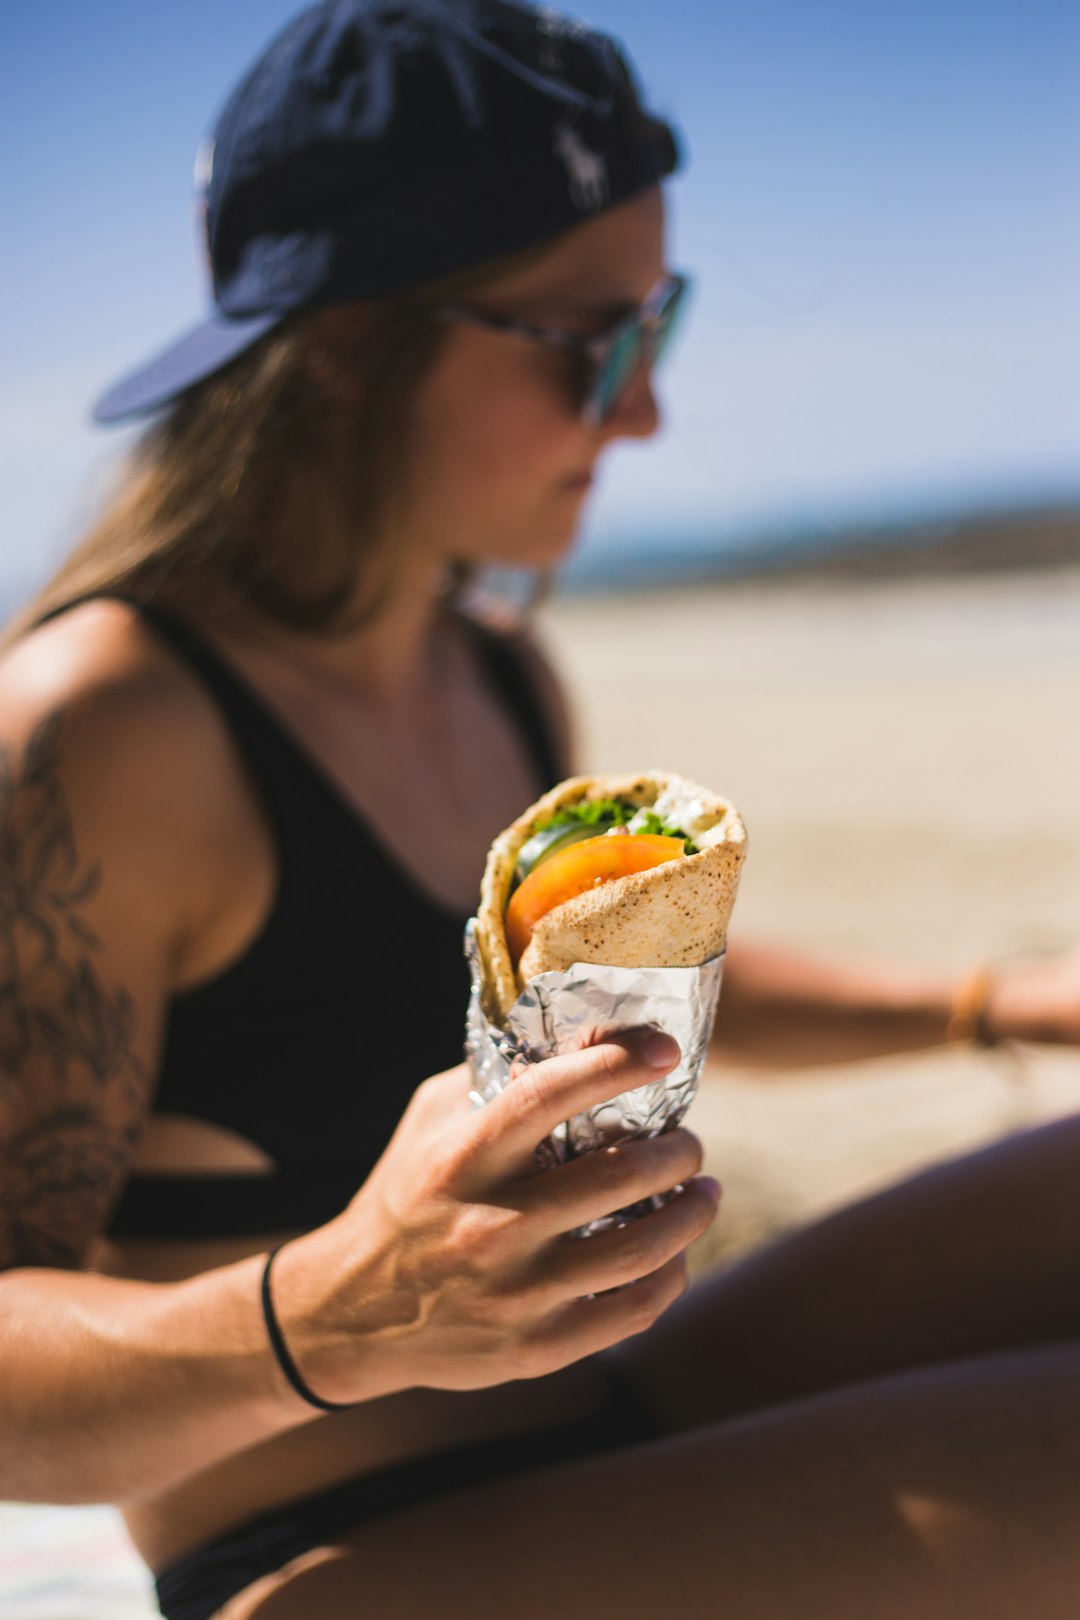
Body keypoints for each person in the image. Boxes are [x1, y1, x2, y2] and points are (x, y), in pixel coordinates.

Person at [1, 4, 1079, 1617]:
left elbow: (574, 1005)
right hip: (320, 1557)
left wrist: (1001, 1003)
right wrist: (336, 1314)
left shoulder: (493, 670)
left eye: (664, 328)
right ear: (349, 342)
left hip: (596, 1412)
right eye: (597, 344)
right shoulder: (99, 733)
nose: (642, 413)